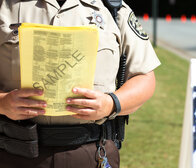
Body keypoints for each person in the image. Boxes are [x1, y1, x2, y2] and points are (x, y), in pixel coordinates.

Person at [0, 0, 160, 167]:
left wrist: (110, 104)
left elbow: (144, 78)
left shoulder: (113, 8)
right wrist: (3, 103)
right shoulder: (5, 6)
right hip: (14, 153)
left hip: (92, 153)